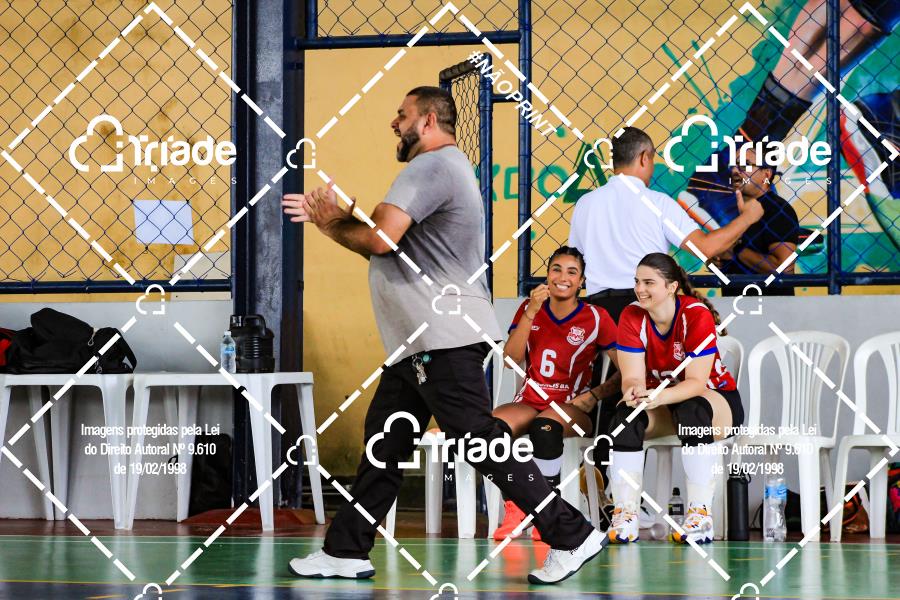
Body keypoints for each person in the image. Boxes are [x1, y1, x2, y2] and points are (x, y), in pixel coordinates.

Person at [282, 86, 605, 585]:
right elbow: (394, 242)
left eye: (402, 114)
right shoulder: (443, 170)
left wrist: (332, 225)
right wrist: (343, 219)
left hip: (443, 339)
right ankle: (345, 550)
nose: (395, 123)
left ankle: (571, 533)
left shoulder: (431, 167)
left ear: (429, 120)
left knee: (480, 443)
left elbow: (381, 239)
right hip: (419, 343)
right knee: (384, 445)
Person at [568, 126, 761, 490]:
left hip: (594, 310)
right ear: (644, 158)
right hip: (643, 305)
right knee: (639, 390)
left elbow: (576, 262)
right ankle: (626, 489)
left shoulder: (585, 204)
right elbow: (707, 248)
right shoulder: (656, 202)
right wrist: (748, 218)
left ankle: (605, 482)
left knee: (618, 395)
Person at [608, 252, 744, 545]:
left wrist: (659, 396)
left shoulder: (696, 314)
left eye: (649, 282)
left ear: (671, 287)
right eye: (637, 281)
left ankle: (700, 516)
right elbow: (632, 377)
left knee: (691, 411)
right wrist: (633, 391)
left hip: (715, 402)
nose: (640, 289)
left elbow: (696, 383)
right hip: (665, 403)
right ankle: (626, 514)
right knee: (624, 418)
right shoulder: (631, 315)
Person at [492, 246, 619, 542]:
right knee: (491, 431)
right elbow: (510, 360)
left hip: (571, 407)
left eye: (572, 272)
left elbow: (626, 371)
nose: (563, 277)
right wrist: (531, 312)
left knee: (545, 428)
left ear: (582, 281)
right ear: (547, 275)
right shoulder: (530, 308)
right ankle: (515, 506)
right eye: (556, 270)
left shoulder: (596, 316)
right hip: (530, 401)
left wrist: (595, 395)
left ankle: (546, 510)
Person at [715, 148, 801, 296]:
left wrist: (735, 251)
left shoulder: (778, 210)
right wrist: (717, 260)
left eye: (744, 165)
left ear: (766, 174)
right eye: (733, 166)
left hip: (770, 306)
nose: (735, 171)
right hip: (734, 305)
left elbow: (784, 269)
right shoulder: (735, 212)